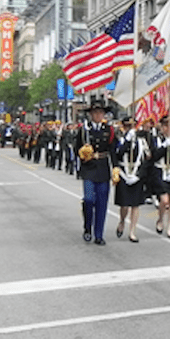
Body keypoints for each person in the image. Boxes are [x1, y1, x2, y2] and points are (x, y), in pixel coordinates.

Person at [75, 100, 116, 245]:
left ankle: (99, 235)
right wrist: (83, 153)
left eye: (100, 112)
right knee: (88, 199)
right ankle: (87, 227)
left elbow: (112, 150)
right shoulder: (84, 130)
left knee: (101, 203)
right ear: (91, 114)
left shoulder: (109, 130)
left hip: (103, 168)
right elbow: (76, 148)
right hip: (89, 168)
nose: (98, 115)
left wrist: (116, 167)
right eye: (95, 112)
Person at [114, 117, 150, 243]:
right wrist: (127, 141)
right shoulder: (120, 139)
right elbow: (118, 154)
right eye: (127, 126)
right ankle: (122, 220)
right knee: (124, 205)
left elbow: (147, 159)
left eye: (133, 126)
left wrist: (140, 175)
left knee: (135, 205)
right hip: (124, 174)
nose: (130, 129)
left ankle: (132, 231)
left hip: (136, 174)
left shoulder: (142, 141)